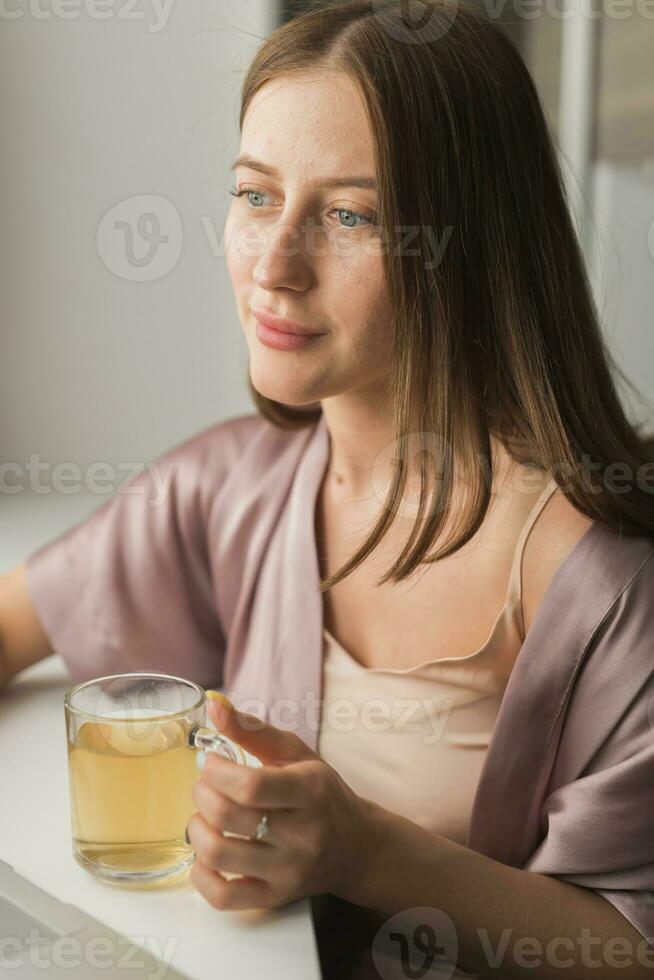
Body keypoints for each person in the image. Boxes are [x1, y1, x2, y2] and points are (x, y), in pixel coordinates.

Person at [2, 1, 654, 976]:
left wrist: (365, 849)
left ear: (468, 243)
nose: (274, 266)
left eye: (350, 215)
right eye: (255, 195)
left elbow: (633, 942)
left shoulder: (600, 581)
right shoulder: (235, 483)